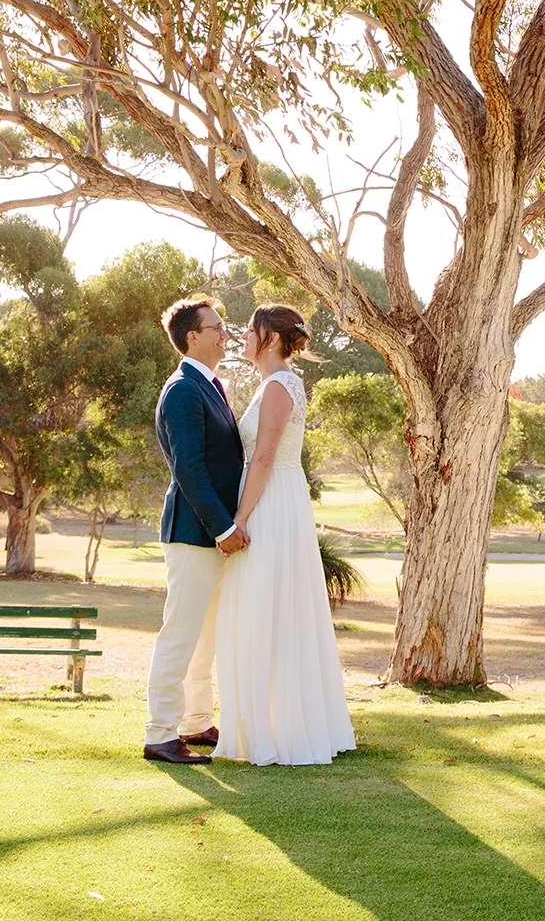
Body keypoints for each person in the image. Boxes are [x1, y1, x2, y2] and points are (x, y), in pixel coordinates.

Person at [213, 304, 356, 765]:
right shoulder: (273, 385)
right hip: (275, 498)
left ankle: (280, 730)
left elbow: (264, 460)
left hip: (271, 504)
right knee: (268, 608)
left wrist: (238, 519)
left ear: (270, 338)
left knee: (266, 607)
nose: (241, 339)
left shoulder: (278, 386)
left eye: (249, 332)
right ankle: (273, 722)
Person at [143, 295, 248, 766]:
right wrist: (224, 527)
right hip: (194, 533)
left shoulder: (211, 385)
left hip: (213, 535)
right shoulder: (183, 389)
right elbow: (190, 468)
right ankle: (160, 734)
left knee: (205, 636)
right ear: (193, 336)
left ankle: (196, 723)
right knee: (180, 634)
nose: (225, 334)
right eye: (217, 327)